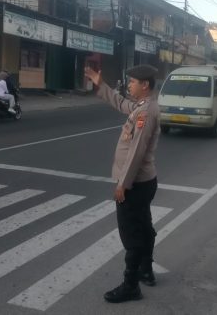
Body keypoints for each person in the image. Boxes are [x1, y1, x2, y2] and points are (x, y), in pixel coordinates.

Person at [84, 64, 161, 304]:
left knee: (132, 235)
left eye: (132, 82)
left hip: (135, 184)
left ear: (145, 85)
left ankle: (131, 286)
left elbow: (136, 152)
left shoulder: (145, 113)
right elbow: (120, 103)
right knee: (144, 227)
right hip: (143, 183)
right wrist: (101, 85)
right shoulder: (141, 107)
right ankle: (146, 270)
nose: (129, 85)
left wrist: (123, 185)